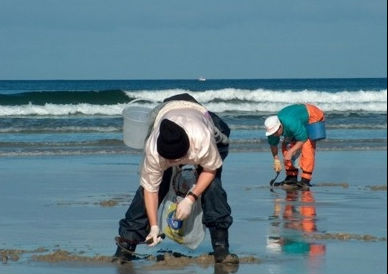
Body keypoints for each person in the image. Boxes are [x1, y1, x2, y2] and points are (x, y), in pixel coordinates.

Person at [114, 93, 239, 265]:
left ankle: (221, 248)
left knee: (213, 187)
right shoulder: (154, 150)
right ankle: (126, 247)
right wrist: (154, 226)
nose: (174, 163)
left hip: (201, 120)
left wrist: (191, 197)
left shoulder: (201, 139)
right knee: (147, 188)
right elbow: (151, 189)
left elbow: (210, 169)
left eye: (176, 159)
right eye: (169, 160)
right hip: (164, 113)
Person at [264, 103, 325, 190]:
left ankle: (305, 179)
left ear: (280, 127)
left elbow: (303, 139)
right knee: (286, 145)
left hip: (312, 115)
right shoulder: (272, 131)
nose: (274, 134)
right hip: (296, 121)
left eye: (275, 132)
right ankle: (291, 177)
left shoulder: (291, 122)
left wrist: (291, 151)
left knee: (307, 145)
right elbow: (273, 145)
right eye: (272, 133)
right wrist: (276, 159)